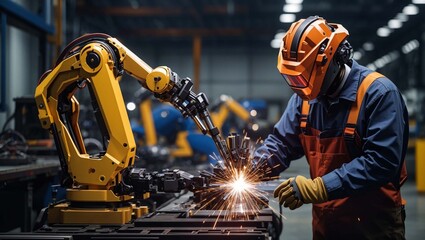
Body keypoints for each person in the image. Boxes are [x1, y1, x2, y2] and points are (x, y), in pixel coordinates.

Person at [254, 16, 408, 239]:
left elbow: (382, 162)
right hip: (326, 225)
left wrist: (319, 188)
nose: (300, 87)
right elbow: (281, 143)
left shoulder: (380, 94)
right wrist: (254, 168)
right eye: (294, 79)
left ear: (331, 61)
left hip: (373, 226)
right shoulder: (304, 99)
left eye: (304, 78)